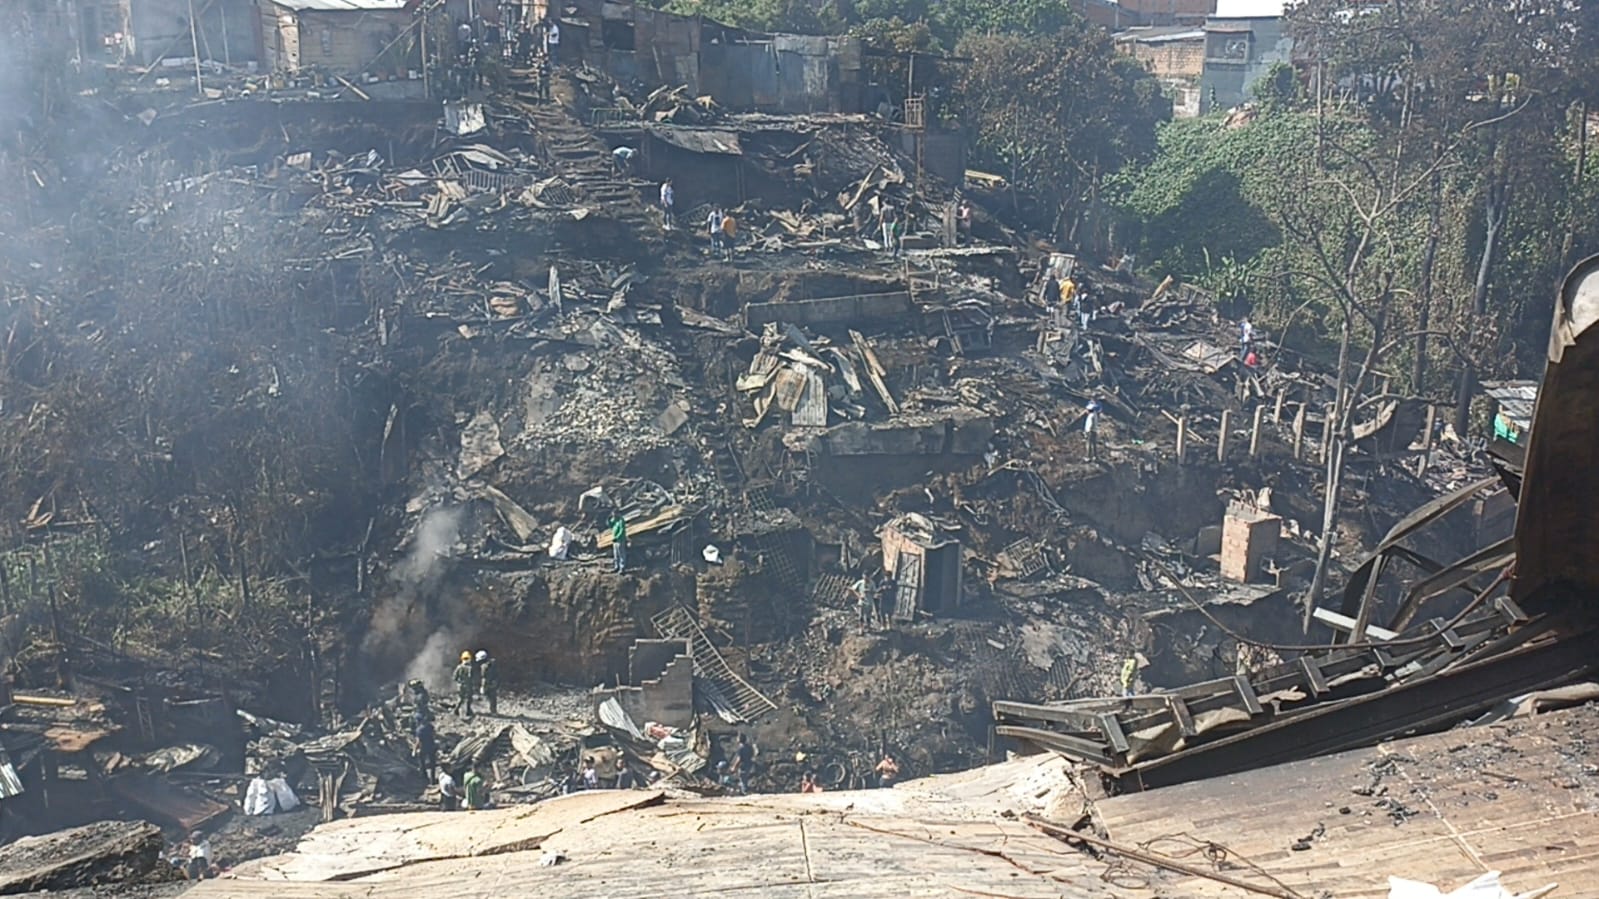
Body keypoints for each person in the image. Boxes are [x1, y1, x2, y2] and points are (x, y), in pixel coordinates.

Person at [453, 650, 475, 718]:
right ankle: (468, 711)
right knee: (469, 698)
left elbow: (454, 677)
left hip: (460, 686)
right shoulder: (470, 668)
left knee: (460, 699)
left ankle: (456, 710)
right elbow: (472, 677)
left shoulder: (459, 667)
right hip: (468, 686)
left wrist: (459, 682)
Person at [477, 649, 498, 715]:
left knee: (490, 696)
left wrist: (482, 687)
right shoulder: (493, 663)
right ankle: (493, 711)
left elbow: (484, 677)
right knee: (493, 697)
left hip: (488, 683)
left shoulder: (484, 666)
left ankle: (493, 711)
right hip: (494, 682)